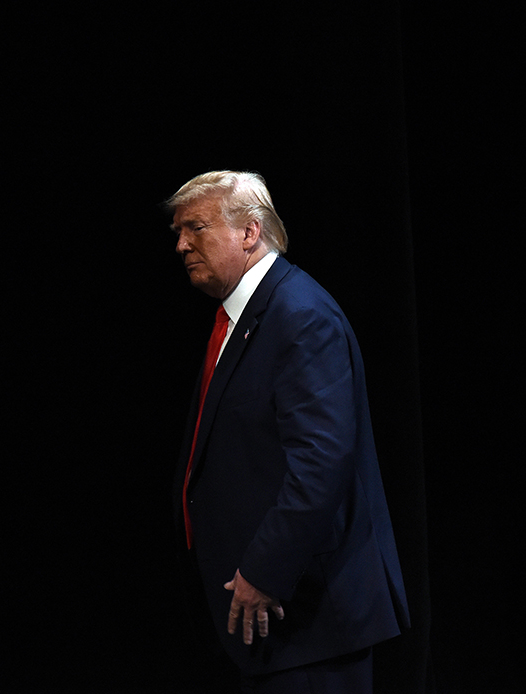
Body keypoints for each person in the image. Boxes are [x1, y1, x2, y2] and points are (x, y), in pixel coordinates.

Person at [169, 171, 409, 693]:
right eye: (178, 232)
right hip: (270, 627)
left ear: (250, 232)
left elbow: (319, 466)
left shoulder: (300, 316)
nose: (182, 243)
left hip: (309, 618)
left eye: (196, 227)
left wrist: (264, 573)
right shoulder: (248, 318)